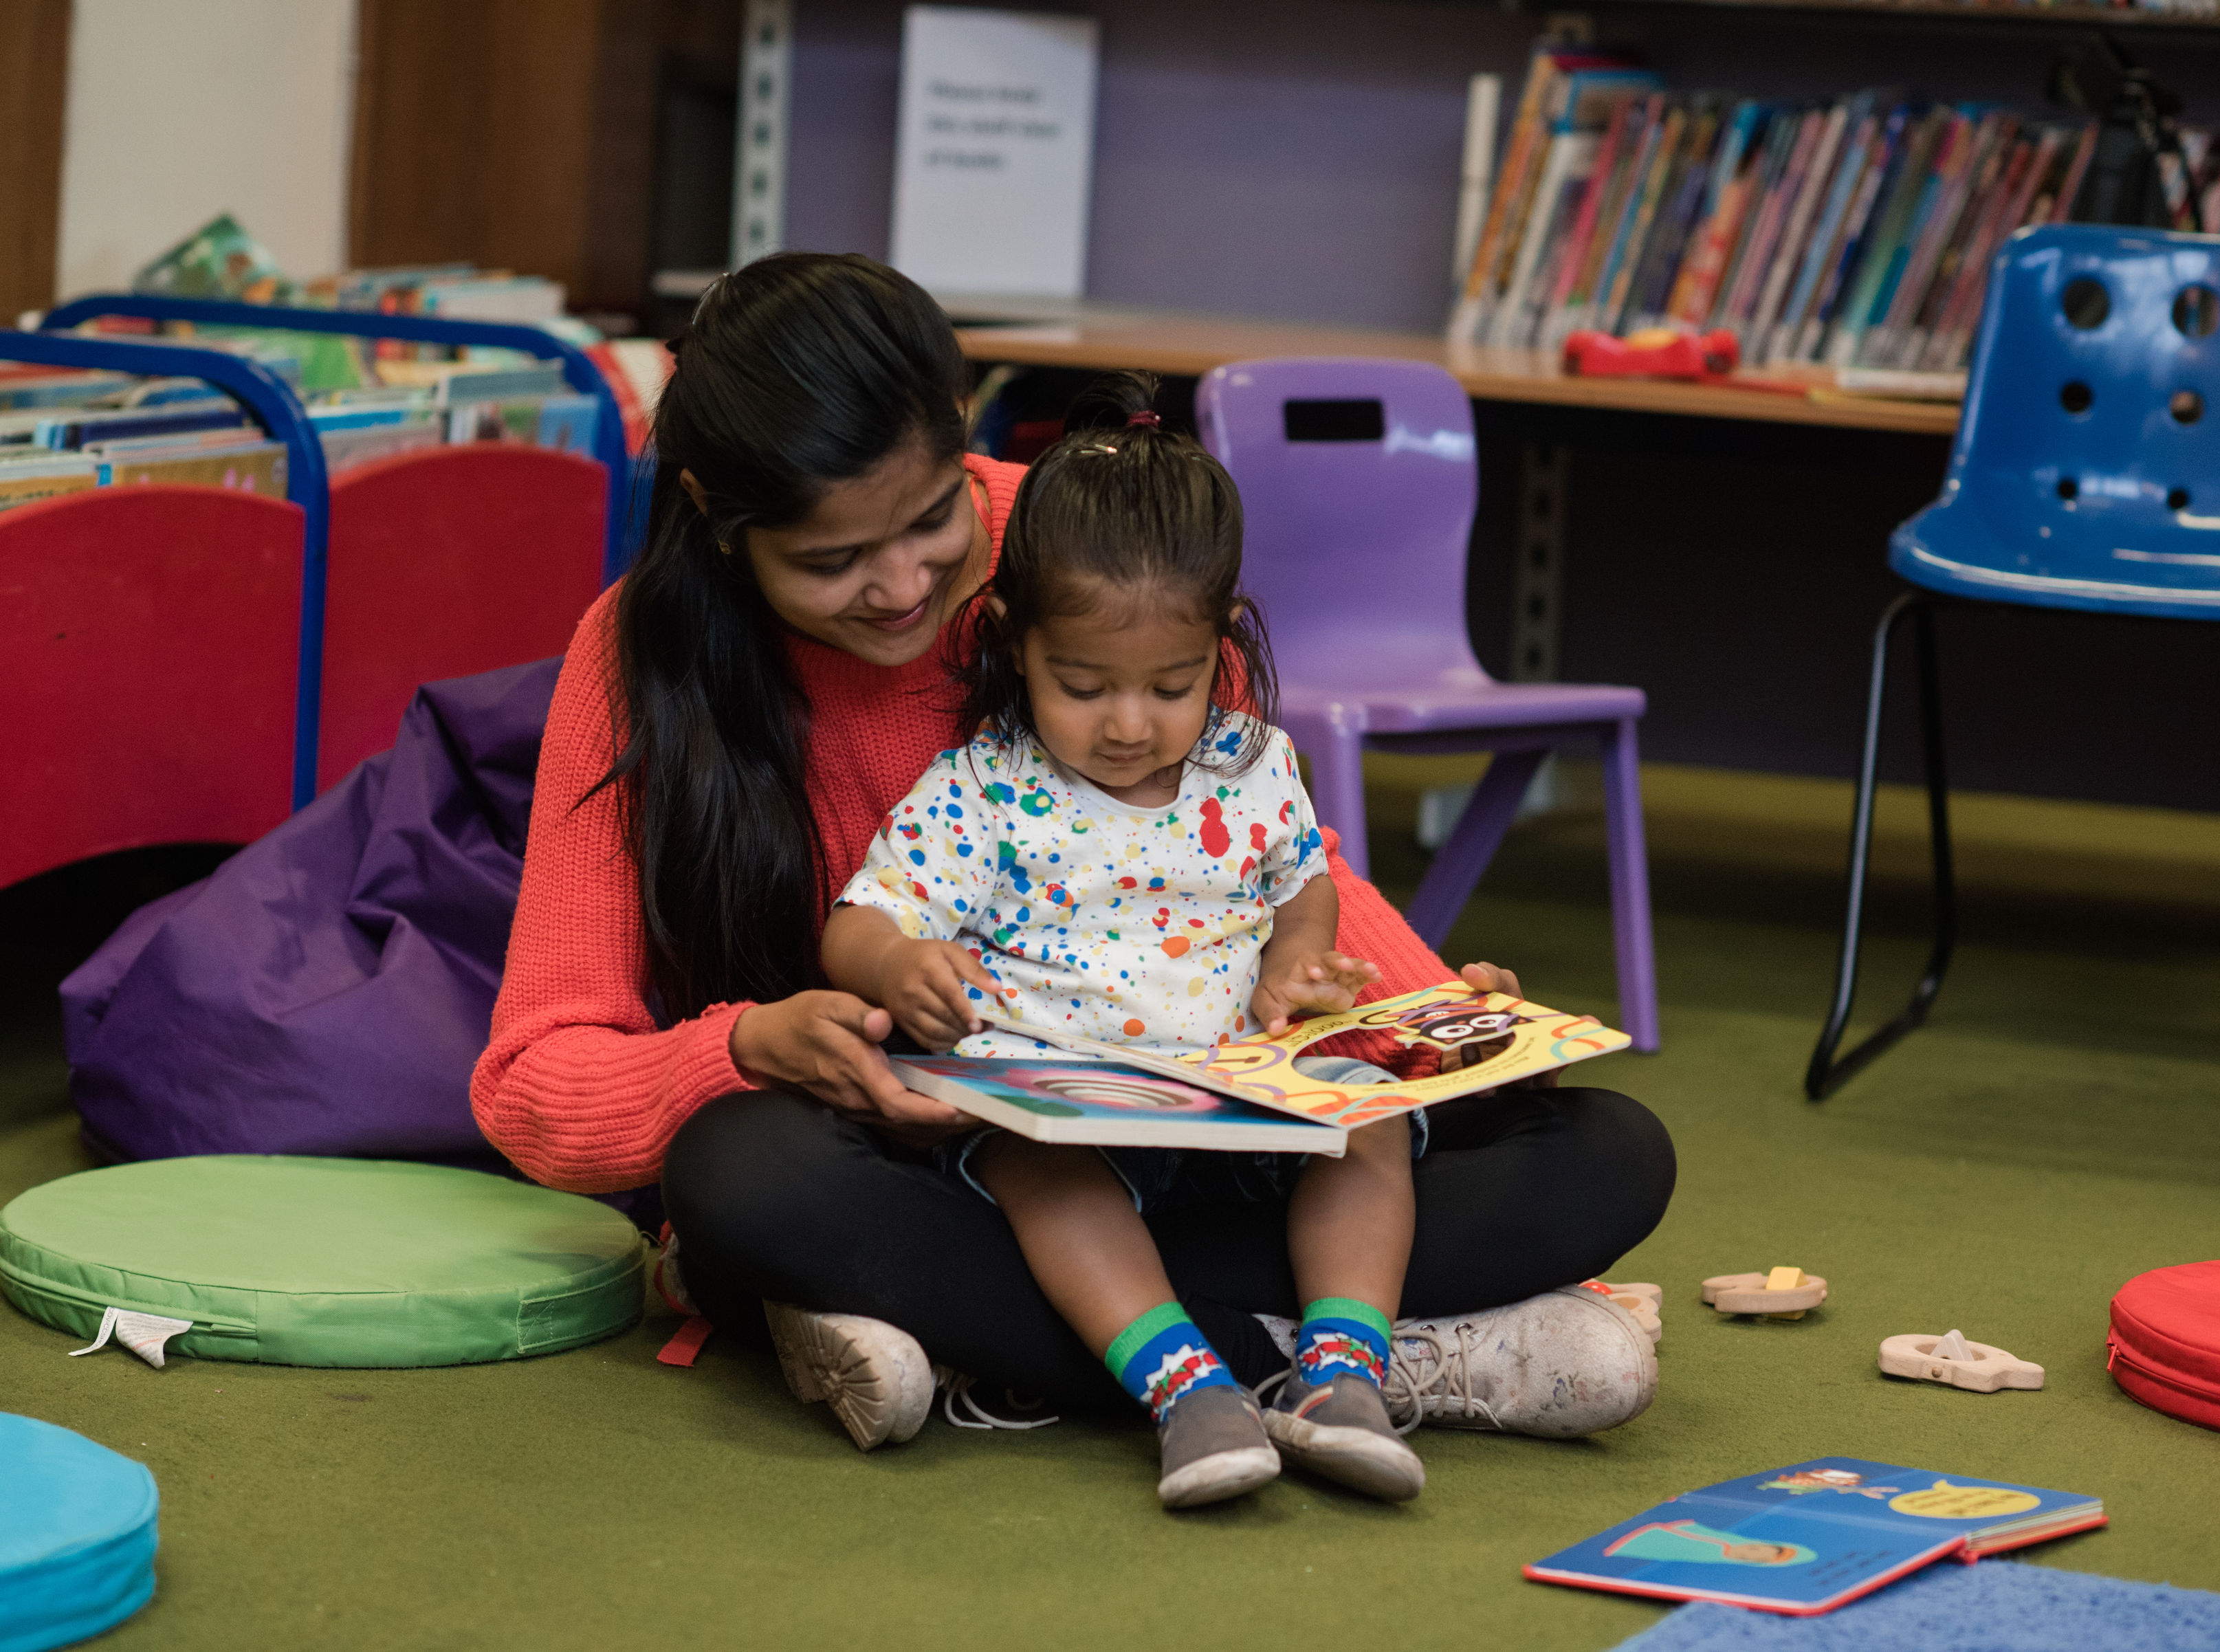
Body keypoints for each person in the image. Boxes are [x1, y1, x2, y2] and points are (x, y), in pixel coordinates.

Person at [471, 252, 1678, 1470]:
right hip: (948, 1154)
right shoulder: (640, 656)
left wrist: (1438, 1033)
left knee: (1607, 1153)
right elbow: (532, 1088)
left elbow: (1264, 862)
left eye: (933, 518)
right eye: (831, 561)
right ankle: (1372, 1355)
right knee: (741, 1178)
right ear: (720, 524)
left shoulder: (1104, 553)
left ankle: (993, 1340)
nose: (902, 590)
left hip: (1212, 1118)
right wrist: (743, 1047)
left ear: (961, 437)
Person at [825, 373, 1422, 1508]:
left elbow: (1303, 889)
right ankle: (1185, 1387)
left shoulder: (1254, 767)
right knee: (1034, 1166)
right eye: (1083, 684)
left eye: (1173, 684)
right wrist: (898, 965)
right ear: (1012, 639)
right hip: (1071, 1116)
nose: (1130, 724)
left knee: (1381, 1119)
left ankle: (1342, 1376)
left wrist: (1301, 967)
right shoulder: (985, 791)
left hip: (1234, 1108)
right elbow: (858, 925)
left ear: (1223, 644)